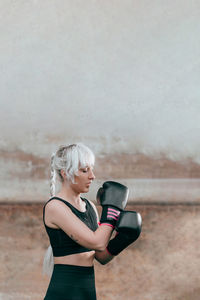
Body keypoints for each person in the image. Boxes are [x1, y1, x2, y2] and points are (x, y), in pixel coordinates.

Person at [43, 143, 142, 300]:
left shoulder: (89, 206)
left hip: (87, 290)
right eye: (84, 170)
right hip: (64, 291)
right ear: (65, 173)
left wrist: (123, 240)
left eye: (91, 169)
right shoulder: (55, 207)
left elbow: (101, 255)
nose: (92, 176)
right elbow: (97, 242)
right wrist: (112, 210)